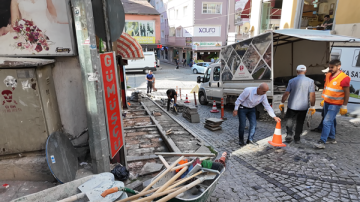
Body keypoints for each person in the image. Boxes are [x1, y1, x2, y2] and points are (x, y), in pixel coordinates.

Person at [314, 59, 351, 149]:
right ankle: (331, 138)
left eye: (332, 67)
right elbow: (326, 88)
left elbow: (347, 93)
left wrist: (344, 106)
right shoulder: (328, 75)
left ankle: (322, 142)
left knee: (326, 121)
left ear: (339, 67)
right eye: (329, 67)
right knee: (331, 120)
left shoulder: (344, 78)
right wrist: (324, 99)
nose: (330, 69)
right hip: (327, 102)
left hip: (335, 104)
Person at [279, 65, 316, 144]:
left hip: (292, 105)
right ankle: (297, 138)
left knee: (289, 120)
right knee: (300, 122)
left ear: (297, 71)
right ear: (305, 71)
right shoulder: (310, 81)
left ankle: (289, 135)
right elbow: (312, 95)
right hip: (304, 106)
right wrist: (312, 106)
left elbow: (286, 93)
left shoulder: (292, 81)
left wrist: (282, 102)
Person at [311, 67, 337, 133]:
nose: (325, 74)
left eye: (326, 72)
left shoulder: (333, 80)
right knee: (326, 115)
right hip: (328, 100)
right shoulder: (328, 79)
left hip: (332, 102)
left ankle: (331, 131)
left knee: (330, 116)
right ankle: (322, 128)